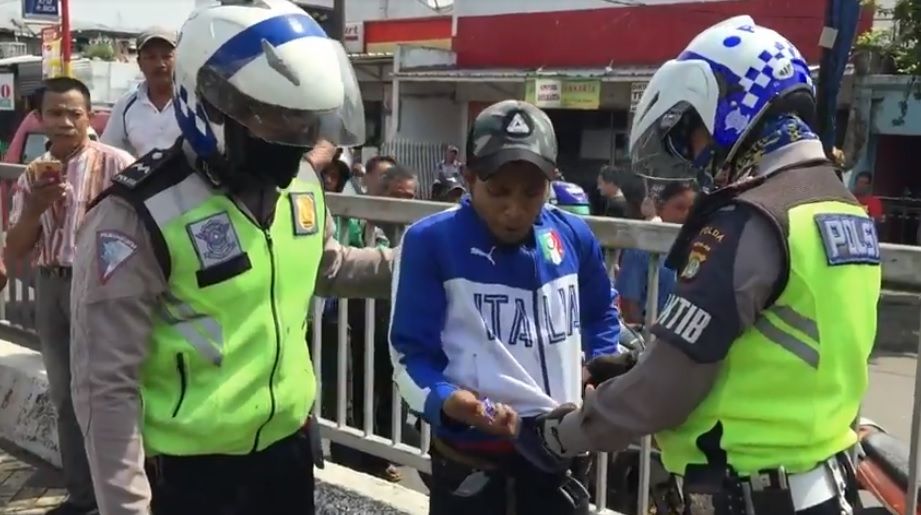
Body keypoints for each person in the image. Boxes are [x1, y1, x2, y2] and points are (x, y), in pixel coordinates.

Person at [535, 15, 881, 515]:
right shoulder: (843, 209)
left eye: (692, 132)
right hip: (820, 489)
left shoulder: (752, 221)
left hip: (749, 496)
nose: (694, 154)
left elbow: (667, 389)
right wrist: (637, 365)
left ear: (730, 107)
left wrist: (561, 434)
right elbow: (771, 349)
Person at [69, 2, 392, 514]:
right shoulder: (136, 215)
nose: (295, 134)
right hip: (188, 476)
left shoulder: (300, 186)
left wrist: (423, 260)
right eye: (273, 115)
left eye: (304, 118)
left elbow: (324, 265)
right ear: (210, 104)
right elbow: (106, 387)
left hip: (286, 456)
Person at [389, 99, 622, 515]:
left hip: (561, 457)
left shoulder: (574, 236)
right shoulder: (430, 242)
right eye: (497, 191)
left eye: (532, 192)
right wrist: (450, 401)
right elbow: (409, 358)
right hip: (473, 461)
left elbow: (603, 316)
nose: (515, 210)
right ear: (469, 177)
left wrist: (596, 372)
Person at [4, 77, 134, 515]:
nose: (64, 122)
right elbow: (17, 248)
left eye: (74, 113)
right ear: (39, 119)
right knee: (64, 397)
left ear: (89, 115)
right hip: (51, 284)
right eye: (55, 113)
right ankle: (83, 498)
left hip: (101, 288)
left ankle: (119, 498)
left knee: (105, 395)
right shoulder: (33, 173)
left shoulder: (117, 163)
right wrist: (38, 207)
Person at [616, 182, 696, 325]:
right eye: (680, 208)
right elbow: (629, 305)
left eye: (693, 209)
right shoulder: (641, 248)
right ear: (660, 208)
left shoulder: (703, 246)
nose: (688, 214)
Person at [101, 28, 181, 157]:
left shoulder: (195, 102)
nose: (160, 64)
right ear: (139, 63)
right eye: (151, 57)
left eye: (167, 56)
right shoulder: (126, 104)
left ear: (179, 58)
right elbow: (109, 153)